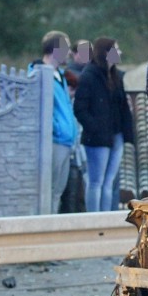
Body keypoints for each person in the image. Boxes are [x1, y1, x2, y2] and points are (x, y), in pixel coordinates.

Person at [73, 37, 134, 212]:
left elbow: (123, 107)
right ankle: (93, 220)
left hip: (115, 135)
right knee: (96, 182)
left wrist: (126, 133)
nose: (120, 52)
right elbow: (80, 108)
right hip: (97, 138)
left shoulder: (116, 77)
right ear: (107, 53)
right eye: (117, 49)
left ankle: (105, 219)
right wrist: (95, 128)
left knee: (108, 182)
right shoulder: (89, 76)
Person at [29, 31, 79, 213]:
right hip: (55, 140)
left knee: (57, 191)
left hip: (65, 140)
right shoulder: (39, 73)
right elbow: (40, 108)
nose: (68, 53)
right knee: (49, 190)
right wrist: (57, 129)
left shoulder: (59, 75)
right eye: (65, 48)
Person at [59, 69, 87, 213]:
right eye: (71, 88)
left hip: (76, 156)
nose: (72, 92)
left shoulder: (71, 104)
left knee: (76, 194)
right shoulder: (63, 105)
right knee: (68, 195)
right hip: (69, 153)